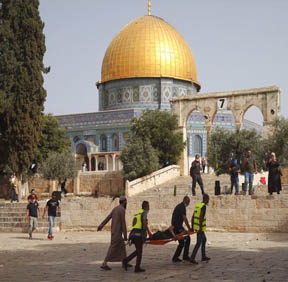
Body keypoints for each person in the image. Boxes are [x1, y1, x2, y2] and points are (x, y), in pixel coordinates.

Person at [97, 196, 128, 271]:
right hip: (117, 233)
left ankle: (124, 262)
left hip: (114, 231)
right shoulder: (122, 210)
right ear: (124, 202)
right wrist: (125, 235)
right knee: (113, 248)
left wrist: (101, 225)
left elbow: (108, 218)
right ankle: (104, 263)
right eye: (126, 202)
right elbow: (123, 223)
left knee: (122, 247)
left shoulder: (115, 209)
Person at [123, 201, 152, 273]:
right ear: (145, 207)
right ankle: (137, 267)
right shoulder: (144, 213)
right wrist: (149, 232)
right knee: (139, 251)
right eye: (148, 206)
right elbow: (144, 223)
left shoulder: (138, 212)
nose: (149, 208)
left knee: (138, 251)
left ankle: (126, 260)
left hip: (133, 234)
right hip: (138, 235)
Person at [190, 194, 210, 264]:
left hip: (196, 227)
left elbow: (192, 217)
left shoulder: (198, 206)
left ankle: (203, 256)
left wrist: (192, 227)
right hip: (200, 228)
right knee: (198, 243)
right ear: (206, 199)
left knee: (204, 240)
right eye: (208, 200)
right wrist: (200, 228)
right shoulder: (203, 207)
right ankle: (192, 257)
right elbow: (201, 218)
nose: (208, 201)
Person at [171, 196, 192, 263]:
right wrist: (189, 228)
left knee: (182, 242)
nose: (188, 203)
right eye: (188, 202)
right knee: (187, 239)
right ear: (185, 200)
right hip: (177, 227)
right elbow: (185, 219)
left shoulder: (180, 206)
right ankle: (184, 256)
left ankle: (176, 257)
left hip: (177, 226)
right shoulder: (182, 207)